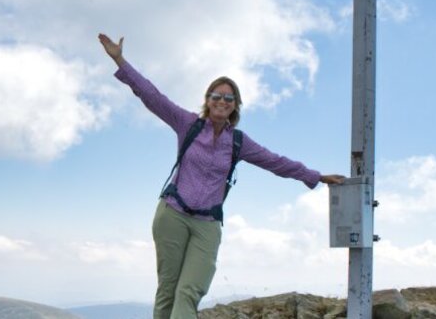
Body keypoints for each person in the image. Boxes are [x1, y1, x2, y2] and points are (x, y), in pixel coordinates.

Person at [98, 33, 345, 319]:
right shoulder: (187, 123)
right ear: (208, 99)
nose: (222, 101)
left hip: (208, 224)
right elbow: (151, 96)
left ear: (235, 105)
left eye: (229, 97)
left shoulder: (238, 142)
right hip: (172, 215)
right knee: (167, 290)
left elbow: (275, 161)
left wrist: (315, 176)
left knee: (189, 292)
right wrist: (119, 59)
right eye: (217, 95)